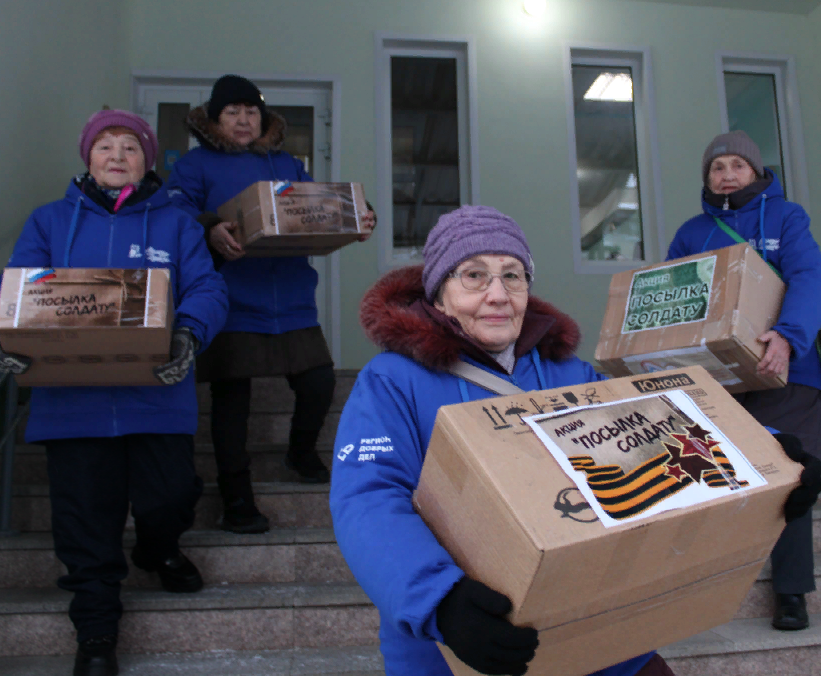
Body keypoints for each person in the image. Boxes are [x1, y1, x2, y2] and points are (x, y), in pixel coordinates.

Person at [330, 205, 684, 676]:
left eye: (512, 276)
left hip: (595, 640)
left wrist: (769, 446)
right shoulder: (392, 382)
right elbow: (368, 498)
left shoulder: (567, 373)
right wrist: (440, 600)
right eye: (474, 275)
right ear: (438, 295)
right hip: (460, 649)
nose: (497, 294)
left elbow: (654, 428)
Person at [0, 109, 229, 676]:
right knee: (85, 522)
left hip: (156, 394)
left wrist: (187, 332)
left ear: (148, 161)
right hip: (70, 404)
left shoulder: (177, 223)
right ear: (88, 157)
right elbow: (20, 291)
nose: (118, 156)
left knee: (170, 496)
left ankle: (156, 548)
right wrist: (13, 339)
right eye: (106, 146)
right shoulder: (50, 222)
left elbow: (208, 287)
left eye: (131, 147)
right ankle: (97, 634)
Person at [166, 74, 375, 534]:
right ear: (214, 119)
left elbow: (317, 206)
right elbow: (173, 212)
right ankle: (236, 497)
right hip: (231, 301)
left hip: (293, 297)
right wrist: (209, 227)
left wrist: (358, 215)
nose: (243, 120)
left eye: (251, 111)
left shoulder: (288, 164)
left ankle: (300, 451)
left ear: (263, 118)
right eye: (232, 112)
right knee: (232, 400)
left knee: (319, 383)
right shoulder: (195, 165)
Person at [667, 130, 821, 631]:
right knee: (708, 472)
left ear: (755, 171)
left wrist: (789, 337)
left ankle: (791, 593)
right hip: (720, 378)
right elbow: (672, 300)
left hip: (786, 370)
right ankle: (703, 591)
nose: (727, 173)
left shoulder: (785, 217)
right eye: (717, 167)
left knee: (787, 470)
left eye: (737, 164)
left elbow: (807, 276)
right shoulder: (692, 232)